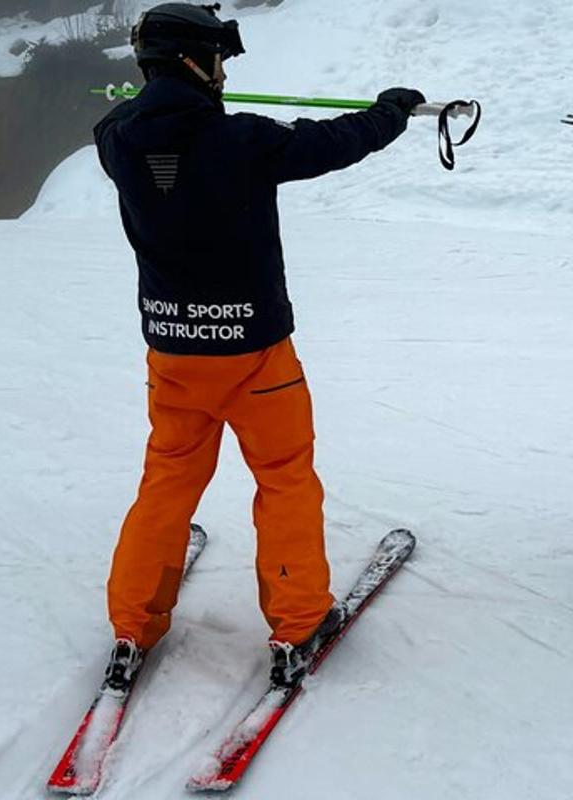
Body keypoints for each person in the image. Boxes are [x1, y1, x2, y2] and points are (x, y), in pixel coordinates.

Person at [92, 2, 426, 691]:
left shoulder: (115, 138)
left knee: (168, 480)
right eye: (217, 59)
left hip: (174, 352)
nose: (223, 71)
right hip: (256, 357)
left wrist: (157, 101)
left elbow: (135, 127)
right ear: (194, 61)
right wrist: (392, 110)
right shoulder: (242, 141)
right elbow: (334, 141)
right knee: (284, 481)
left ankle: (134, 618)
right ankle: (299, 619)